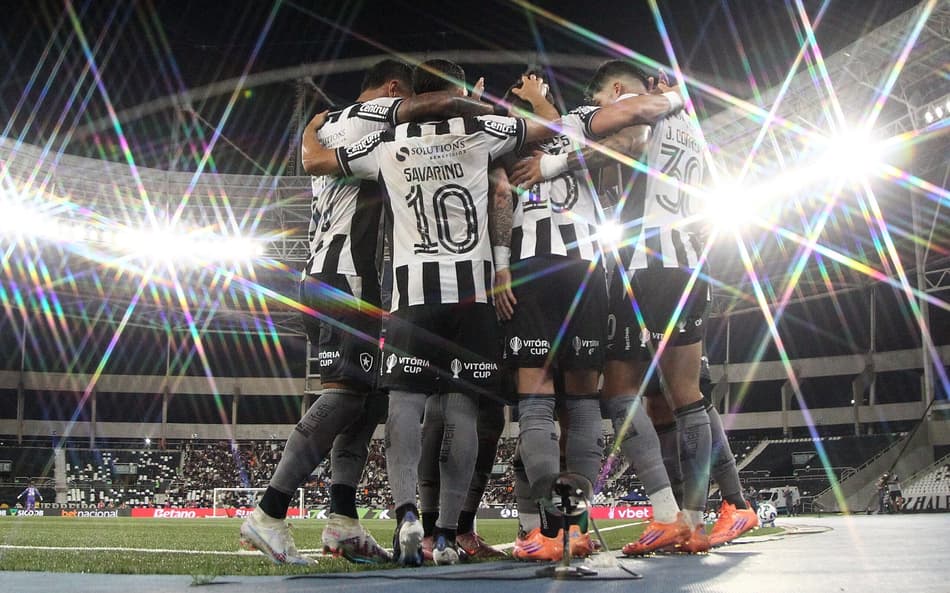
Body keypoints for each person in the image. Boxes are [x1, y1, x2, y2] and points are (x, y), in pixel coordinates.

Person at [240, 59, 498, 566]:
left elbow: (316, 156)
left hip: (331, 277)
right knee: (342, 398)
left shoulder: (327, 124)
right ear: (394, 90)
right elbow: (434, 104)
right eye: (404, 99)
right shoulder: (377, 114)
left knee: (368, 400)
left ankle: (341, 521)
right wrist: (471, 101)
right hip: (345, 278)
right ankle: (269, 511)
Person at [513, 59, 709, 554]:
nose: (605, 111)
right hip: (651, 260)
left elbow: (622, 139)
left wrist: (548, 157)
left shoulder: (558, 126)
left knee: (587, 397)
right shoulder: (687, 126)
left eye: (604, 102)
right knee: (679, 395)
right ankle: (697, 516)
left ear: (616, 90)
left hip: (616, 264)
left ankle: (556, 529)